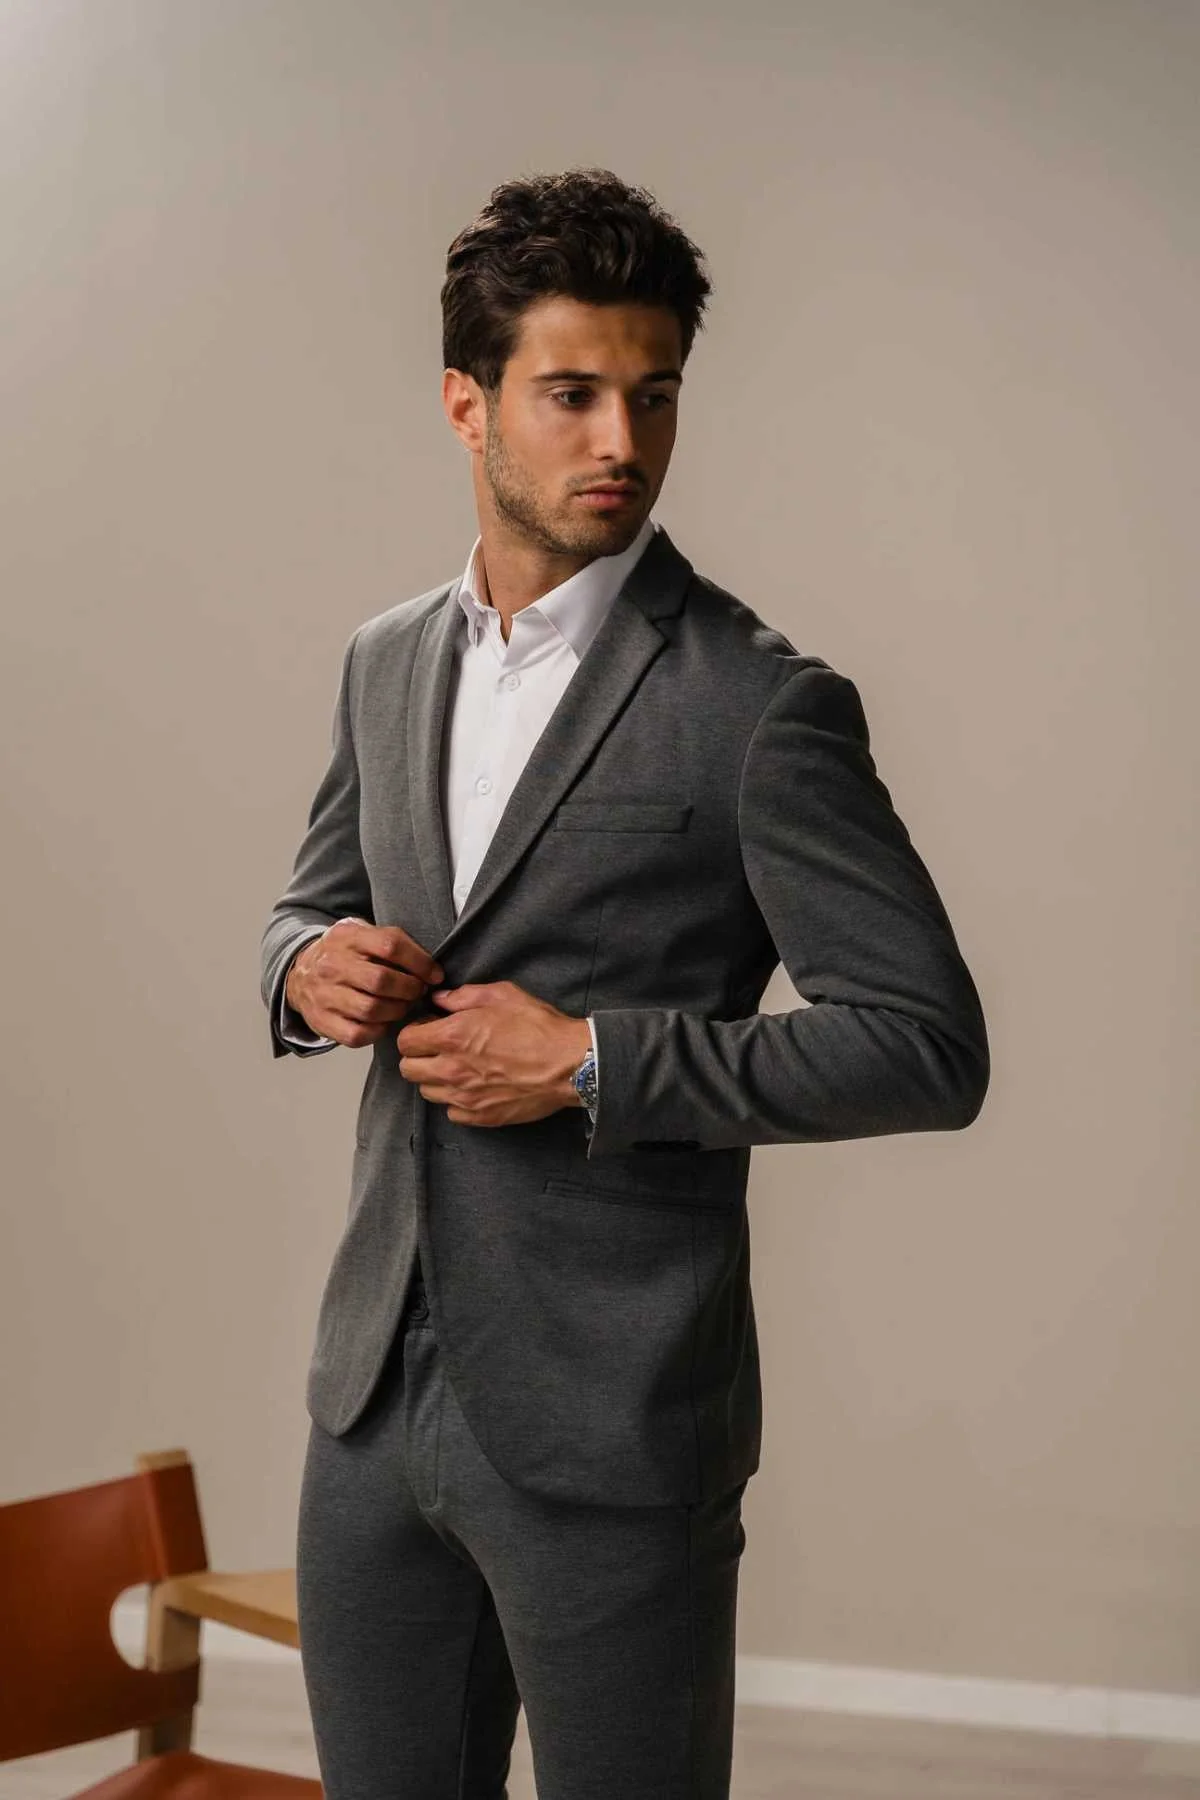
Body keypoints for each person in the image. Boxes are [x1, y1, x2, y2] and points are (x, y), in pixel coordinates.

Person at [260, 166, 989, 1800]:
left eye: (653, 396)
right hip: (370, 1398)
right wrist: (309, 969)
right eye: (572, 393)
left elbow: (925, 1044)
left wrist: (593, 1061)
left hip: (613, 1417)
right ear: (467, 403)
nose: (623, 441)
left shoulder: (760, 704)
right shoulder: (387, 661)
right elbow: (307, 904)